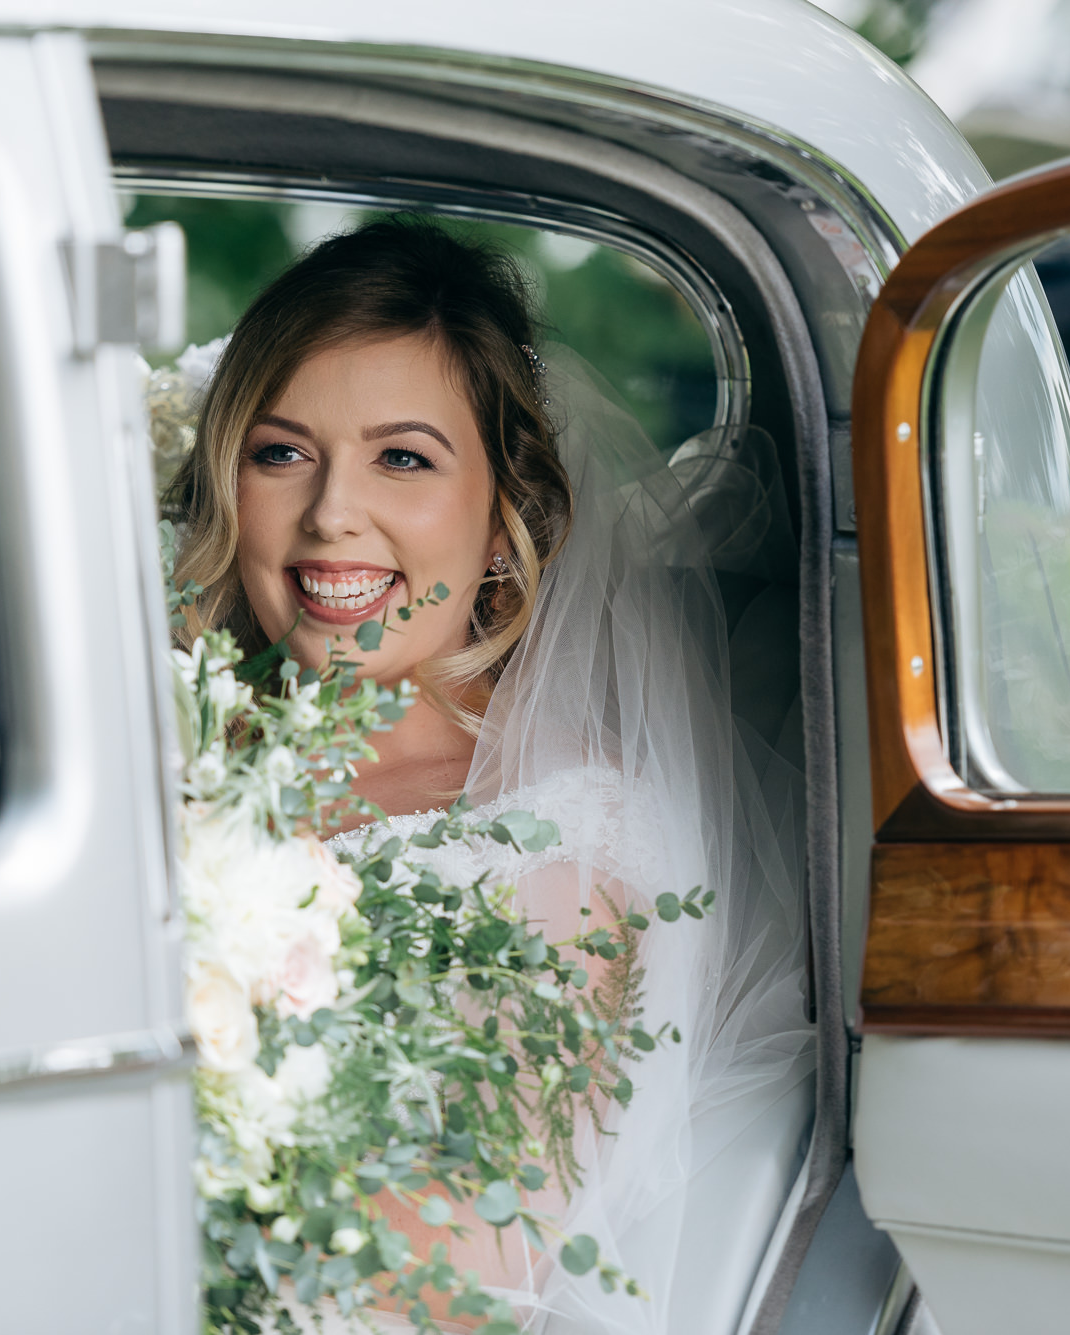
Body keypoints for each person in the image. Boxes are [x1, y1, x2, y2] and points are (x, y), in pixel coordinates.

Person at [167, 219, 812, 1334]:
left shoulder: (560, 848)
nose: (330, 514)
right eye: (282, 452)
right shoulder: (159, 744)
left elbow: (448, 1283)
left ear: (505, 510)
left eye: (402, 458)